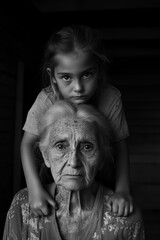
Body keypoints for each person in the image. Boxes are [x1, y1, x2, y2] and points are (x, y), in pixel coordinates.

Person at [21, 24, 132, 218]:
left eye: (87, 75)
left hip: (100, 171)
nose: (78, 87)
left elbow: (120, 147)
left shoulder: (110, 98)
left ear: (99, 70)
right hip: (51, 173)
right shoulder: (46, 99)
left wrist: (123, 190)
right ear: (52, 77)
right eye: (66, 78)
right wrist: (34, 189)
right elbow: (27, 144)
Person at [3, 101, 145, 240]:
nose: (74, 162)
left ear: (102, 158)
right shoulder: (23, 206)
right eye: (61, 146)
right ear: (45, 155)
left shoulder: (125, 218)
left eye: (87, 147)